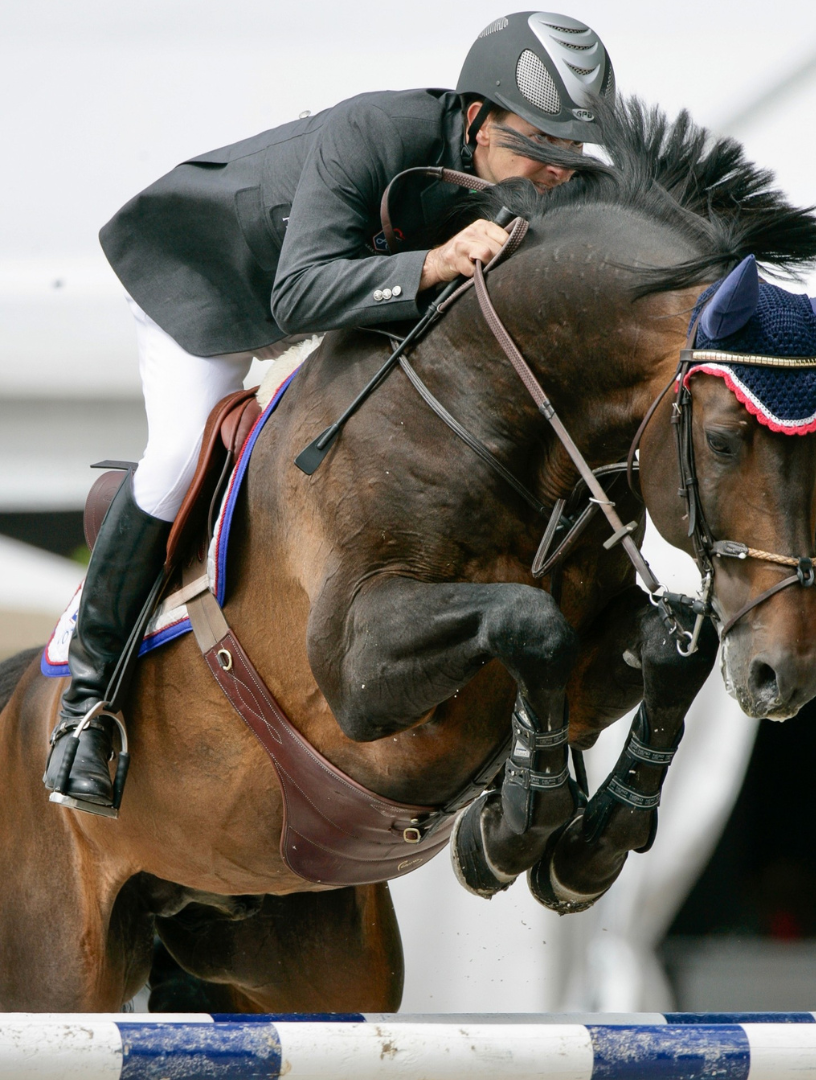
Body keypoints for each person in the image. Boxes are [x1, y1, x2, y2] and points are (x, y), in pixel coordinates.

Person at [45, 12, 615, 812]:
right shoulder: (373, 130)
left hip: (337, 310)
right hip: (214, 287)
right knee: (177, 458)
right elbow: (297, 292)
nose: (556, 168)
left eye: (571, 150)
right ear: (479, 119)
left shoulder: (533, 177)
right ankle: (85, 711)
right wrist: (434, 261)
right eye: (540, 143)